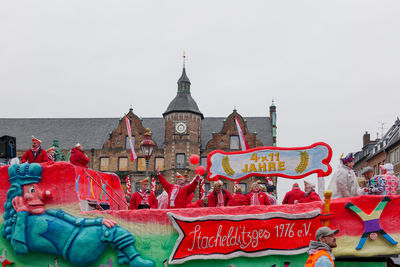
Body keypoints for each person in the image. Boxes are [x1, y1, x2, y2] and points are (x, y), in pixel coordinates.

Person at [3, 163, 153, 267]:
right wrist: (22, 214)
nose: (43, 195)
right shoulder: (20, 225)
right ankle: (133, 259)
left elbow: (77, 221)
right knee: (111, 231)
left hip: (80, 235)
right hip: (75, 249)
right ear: (17, 196)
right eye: (32, 191)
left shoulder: (50, 212)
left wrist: (100, 220)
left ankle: (128, 258)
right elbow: (19, 249)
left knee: (109, 226)